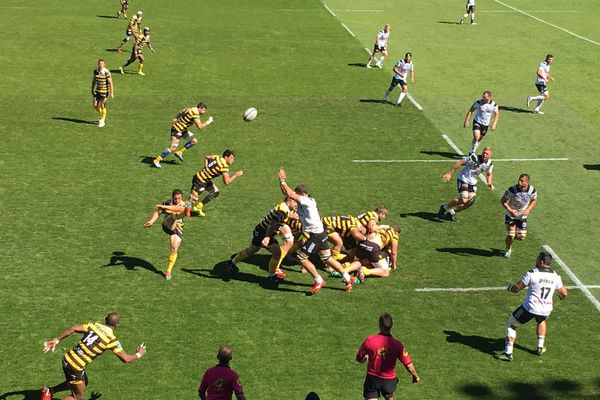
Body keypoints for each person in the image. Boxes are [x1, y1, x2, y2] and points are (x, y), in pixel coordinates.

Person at [278, 167, 355, 293]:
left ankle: (318, 280)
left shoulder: (307, 201)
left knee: (301, 258)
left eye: (297, 195)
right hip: (320, 233)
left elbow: (291, 194)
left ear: (302, 194)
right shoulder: (304, 202)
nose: (294, 199)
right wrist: (280, 182)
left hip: (316, 235)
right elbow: (288, 194)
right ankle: (347, 277)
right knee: (327, 258)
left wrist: (282, 180)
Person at [40, 313, 146, 400]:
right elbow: (126, 359)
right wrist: (139, 354)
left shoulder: (94, 325)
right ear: (116, 326)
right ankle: (50, 392)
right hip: (76, 366)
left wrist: (56, 340)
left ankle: (50, 391)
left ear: (105, 320)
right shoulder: (111, 339)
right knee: (77, 397)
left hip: (67, 358)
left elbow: (73, 329)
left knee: (84, 381)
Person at [496, 251, 568, 361]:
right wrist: (561, 298)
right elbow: (563, 293)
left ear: (541, 261)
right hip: (546, 309)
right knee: (541, 320)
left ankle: (508, 353)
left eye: (537, 259)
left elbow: (517, 288)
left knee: (511, 325)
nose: (536, 260)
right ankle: (540, 347)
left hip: (530, 307)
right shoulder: (555, 276)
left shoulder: (532, 273)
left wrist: (510, 288)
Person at [230, 196, 298, 281]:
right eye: (295, 202)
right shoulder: (282, 211)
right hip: (264, 233)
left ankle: (232, 263)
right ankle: (272, 276)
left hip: (259, 231)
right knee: (277, 253)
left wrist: (290, 216)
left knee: (251, 250)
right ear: (290, 201)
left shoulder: (283, 207)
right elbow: (272, 224)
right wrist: (267, 237)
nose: (297, 204)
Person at [356, 313, 419, 400]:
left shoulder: (370, 340)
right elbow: (408, 364)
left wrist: (364, 358)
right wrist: (415, 376)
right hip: (389, 381)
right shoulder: (398, 345)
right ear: (391, 325)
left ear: (380, 325)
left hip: (373, 379)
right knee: (389, 395)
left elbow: (358, 358)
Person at [438, 147, 494, 221]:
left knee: (470, 201)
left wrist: (489, 183)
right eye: (484, 152)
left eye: (487, 154)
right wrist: (449, 173)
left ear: (490, 155)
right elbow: (460, 163)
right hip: (463, 178)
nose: (484, 154)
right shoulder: (474, 158)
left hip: (472, 182)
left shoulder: (489, 164)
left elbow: (489, 174)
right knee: (464, 199)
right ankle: (444, 207)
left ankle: (451, 212)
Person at [152, 102, 214, 168]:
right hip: (177, 129)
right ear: (200, 108)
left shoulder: (190, 109)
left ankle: (179, 152)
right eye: (204, 110)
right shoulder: (195, 115)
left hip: (183, 129)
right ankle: (157, 160)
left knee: (194, 141)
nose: (204, 112)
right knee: (173, 147)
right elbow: (200, 127)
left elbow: (182, 110)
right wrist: (208, 121)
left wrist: (176, 117)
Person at [144, 189, 187, 280]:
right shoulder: (167, 202)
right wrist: (151, 221)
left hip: (178, 229)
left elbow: (181, 208)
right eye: (175, 198)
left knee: (174, 249)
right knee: (174, 215)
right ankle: (172, 215)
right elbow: (157, 212)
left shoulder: (184, 204)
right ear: (172, 197)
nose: (177, 200)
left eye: (179, 198)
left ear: (181, 197)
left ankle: (168, 271)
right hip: (167, 225)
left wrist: (190, 205)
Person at [186, 150, 243, 217]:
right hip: (200, 181)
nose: (232, 160)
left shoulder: (217, 157)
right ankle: (185, 212)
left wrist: (206, 168)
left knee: (215, 192)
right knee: (192, 200)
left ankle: (199, 206)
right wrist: (236, 175)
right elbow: (227, 182)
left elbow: (207, 157)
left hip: (204, 180)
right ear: (226, 157)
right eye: (231, 158)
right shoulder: (224, 167)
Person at [500, 174, 538, 259]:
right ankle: (507, 249)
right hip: (511, 215)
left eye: (521, 181)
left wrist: (528, 210)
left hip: (522, 216)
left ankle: (510, 237)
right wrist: (510, 210)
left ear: (527, 182)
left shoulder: (532, 190)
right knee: (511, 234)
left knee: (521, 237)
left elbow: (534, 200)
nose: (519, 182)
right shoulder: (512, 189)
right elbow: (503, 201)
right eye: (519, 180)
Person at [91, 59, 114, 128]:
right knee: (95, 105)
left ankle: (102, 120)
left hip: (105, 91)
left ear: (104, 64)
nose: (101, 65)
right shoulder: (95, 71)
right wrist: (92, 89)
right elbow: (94, 81)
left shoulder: (106, 72)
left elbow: (110, 83)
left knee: (102, 105)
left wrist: (112, 93)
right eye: (100, 63)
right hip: (98, 90)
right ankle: (102, 114)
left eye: (102, 64)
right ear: (98, 64)